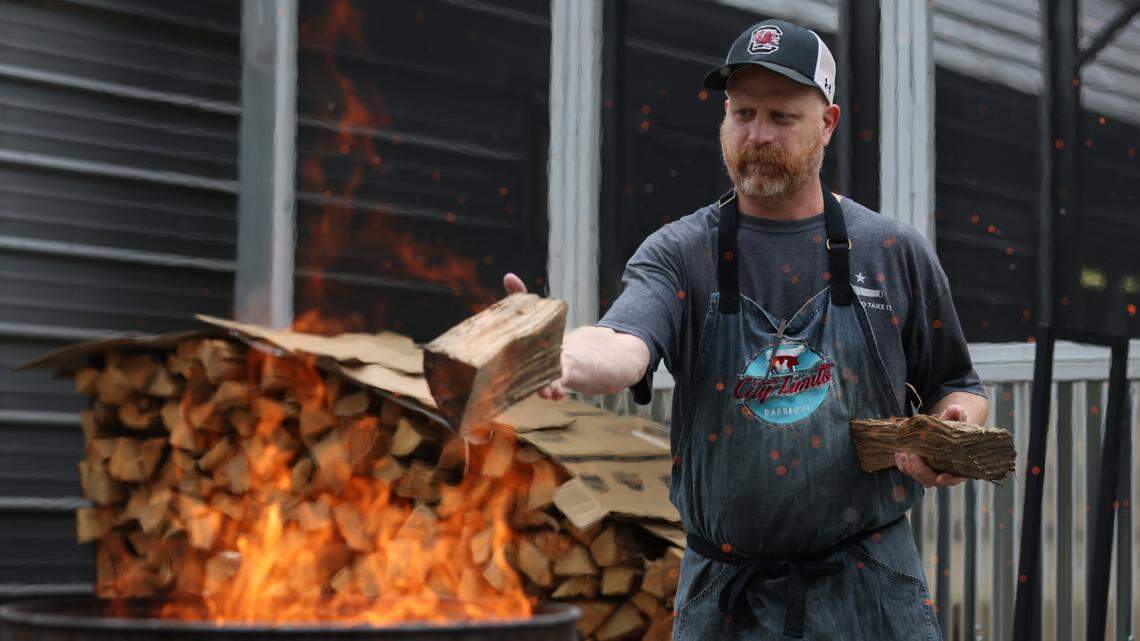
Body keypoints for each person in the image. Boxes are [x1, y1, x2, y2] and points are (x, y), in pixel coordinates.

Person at [505, 18, 988, 640]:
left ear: (828, 123)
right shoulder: (683, 252)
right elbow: (623, 342)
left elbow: (959, 383)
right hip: (725, 600)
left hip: (869, 589)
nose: (758, 134)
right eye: (742, 113)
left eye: (782, 117)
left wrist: (954, 430)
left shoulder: (889, 251)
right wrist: (560, 356)